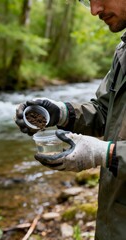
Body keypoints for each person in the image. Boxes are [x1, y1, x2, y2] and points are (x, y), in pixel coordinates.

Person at [15, 0, 126, 239]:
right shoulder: (124, 51)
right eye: (87, 0)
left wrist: (106, 154)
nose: (94, 10)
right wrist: (62, 112)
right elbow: (107, 112)